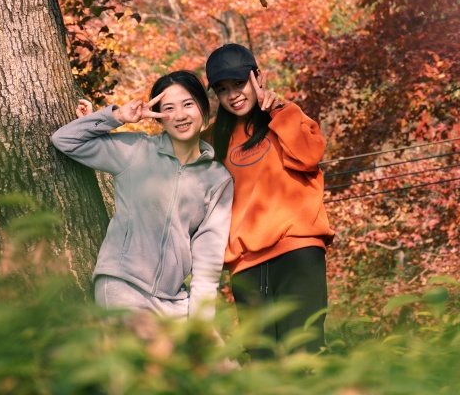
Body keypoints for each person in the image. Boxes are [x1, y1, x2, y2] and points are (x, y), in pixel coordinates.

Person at [51, 70, 233, 321]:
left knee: (214, 349)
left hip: (175, 300)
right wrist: (118, 116)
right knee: (152, 347)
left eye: (188, 104)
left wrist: (202, 320)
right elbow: (65, 140)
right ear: (158, 117)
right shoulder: (136, 150)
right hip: (123, 287)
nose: (180, 115)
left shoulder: (218, 179)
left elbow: (208, 257)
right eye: (168, 108)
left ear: (203, 108)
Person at [205, 43, 334, 355]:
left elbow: (309, 156)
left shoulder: (286, 115)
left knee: (303, 352)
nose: (233, 94)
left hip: (297, 250)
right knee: (263, 359)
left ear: (257, 78)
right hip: (245, 265)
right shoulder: (213, 139)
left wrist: (277, 111)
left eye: (239, 83)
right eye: (222, 89)